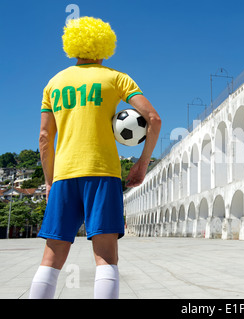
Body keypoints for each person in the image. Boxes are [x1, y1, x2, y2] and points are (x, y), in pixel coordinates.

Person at [29, 16, 161, 299]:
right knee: (106, 259)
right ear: (105, 45)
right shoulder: (116, 78)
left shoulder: (54, 84)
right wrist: (141, 163)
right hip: (103, 174)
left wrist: (50, 181)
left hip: (64, 176)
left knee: (51, 259)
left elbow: (43, 138)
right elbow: (153, 118)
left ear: (72, 46)